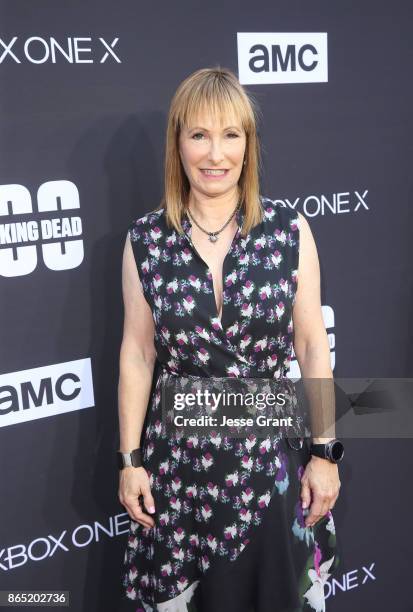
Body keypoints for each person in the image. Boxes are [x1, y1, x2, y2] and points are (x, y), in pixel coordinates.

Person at [117, 67, 342, 612]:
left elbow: (313, 345)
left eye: (230, 135)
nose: (215, 154)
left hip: (274, 463)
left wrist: (325, 453)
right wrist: (130, 461)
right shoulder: (145, 240)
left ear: (249, 144)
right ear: (178, 144)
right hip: (179, 471)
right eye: (199, 135)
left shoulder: (289, 230)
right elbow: (138, 353)